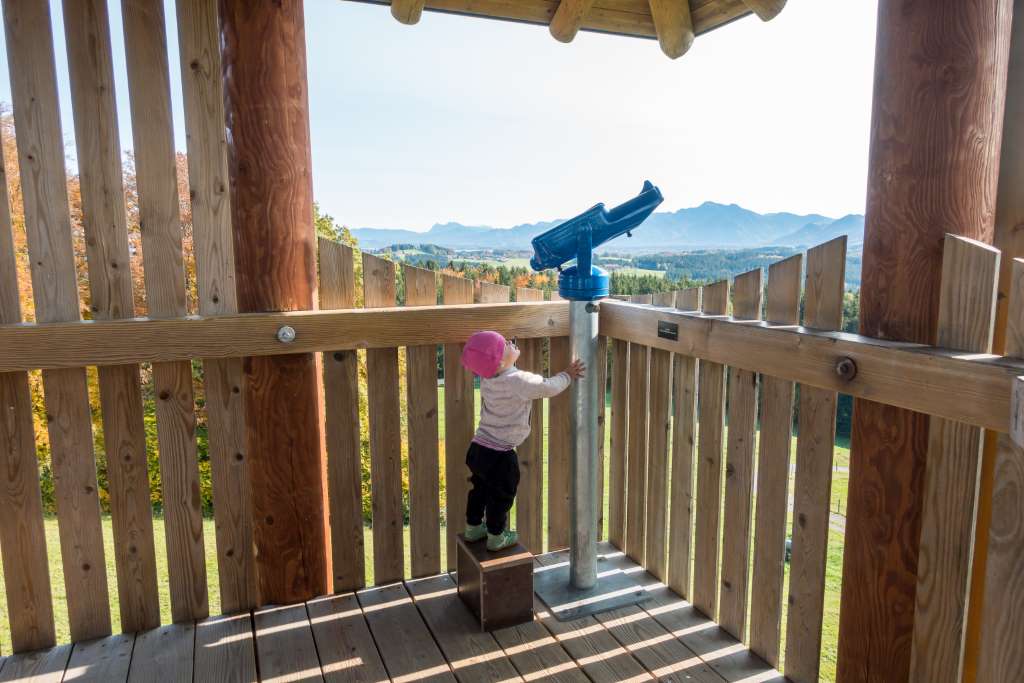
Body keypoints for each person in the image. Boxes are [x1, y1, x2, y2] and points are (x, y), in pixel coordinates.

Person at [460, 330, 585, 551]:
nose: (509, 342)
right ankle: (496, 536)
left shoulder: (487, 379)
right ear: (498, 362)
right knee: (501, 496)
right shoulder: (518, 380)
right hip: (500, 454)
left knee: (479, 490)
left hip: (478, 449)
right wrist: (567, 374)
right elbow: (548, 387)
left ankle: (473, 527)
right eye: (503, 346)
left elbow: (501, 367)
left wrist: (507, 356)